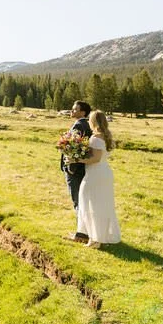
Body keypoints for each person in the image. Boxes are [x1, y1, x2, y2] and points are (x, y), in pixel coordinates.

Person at [70, 109, 121, 248]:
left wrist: (77, 159)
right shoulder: (105, 136)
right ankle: (97, 237)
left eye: (90, 120)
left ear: (93, 121)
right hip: (103, 173)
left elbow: (95, 159)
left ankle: (95, 239)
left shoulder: (97, 138)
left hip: (95, 174)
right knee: (101, 204)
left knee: (90, 203)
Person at [61, 100, 92, 242]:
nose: (71, 111)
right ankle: (86, 231)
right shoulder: (87, 124)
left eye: (75, 109)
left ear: (83, 112)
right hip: (83, 168)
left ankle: (82, 234)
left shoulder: (79, 125)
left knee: (77, 200)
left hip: (75, 168)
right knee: (82, 199)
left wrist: (70, 166)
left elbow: (74, 146)